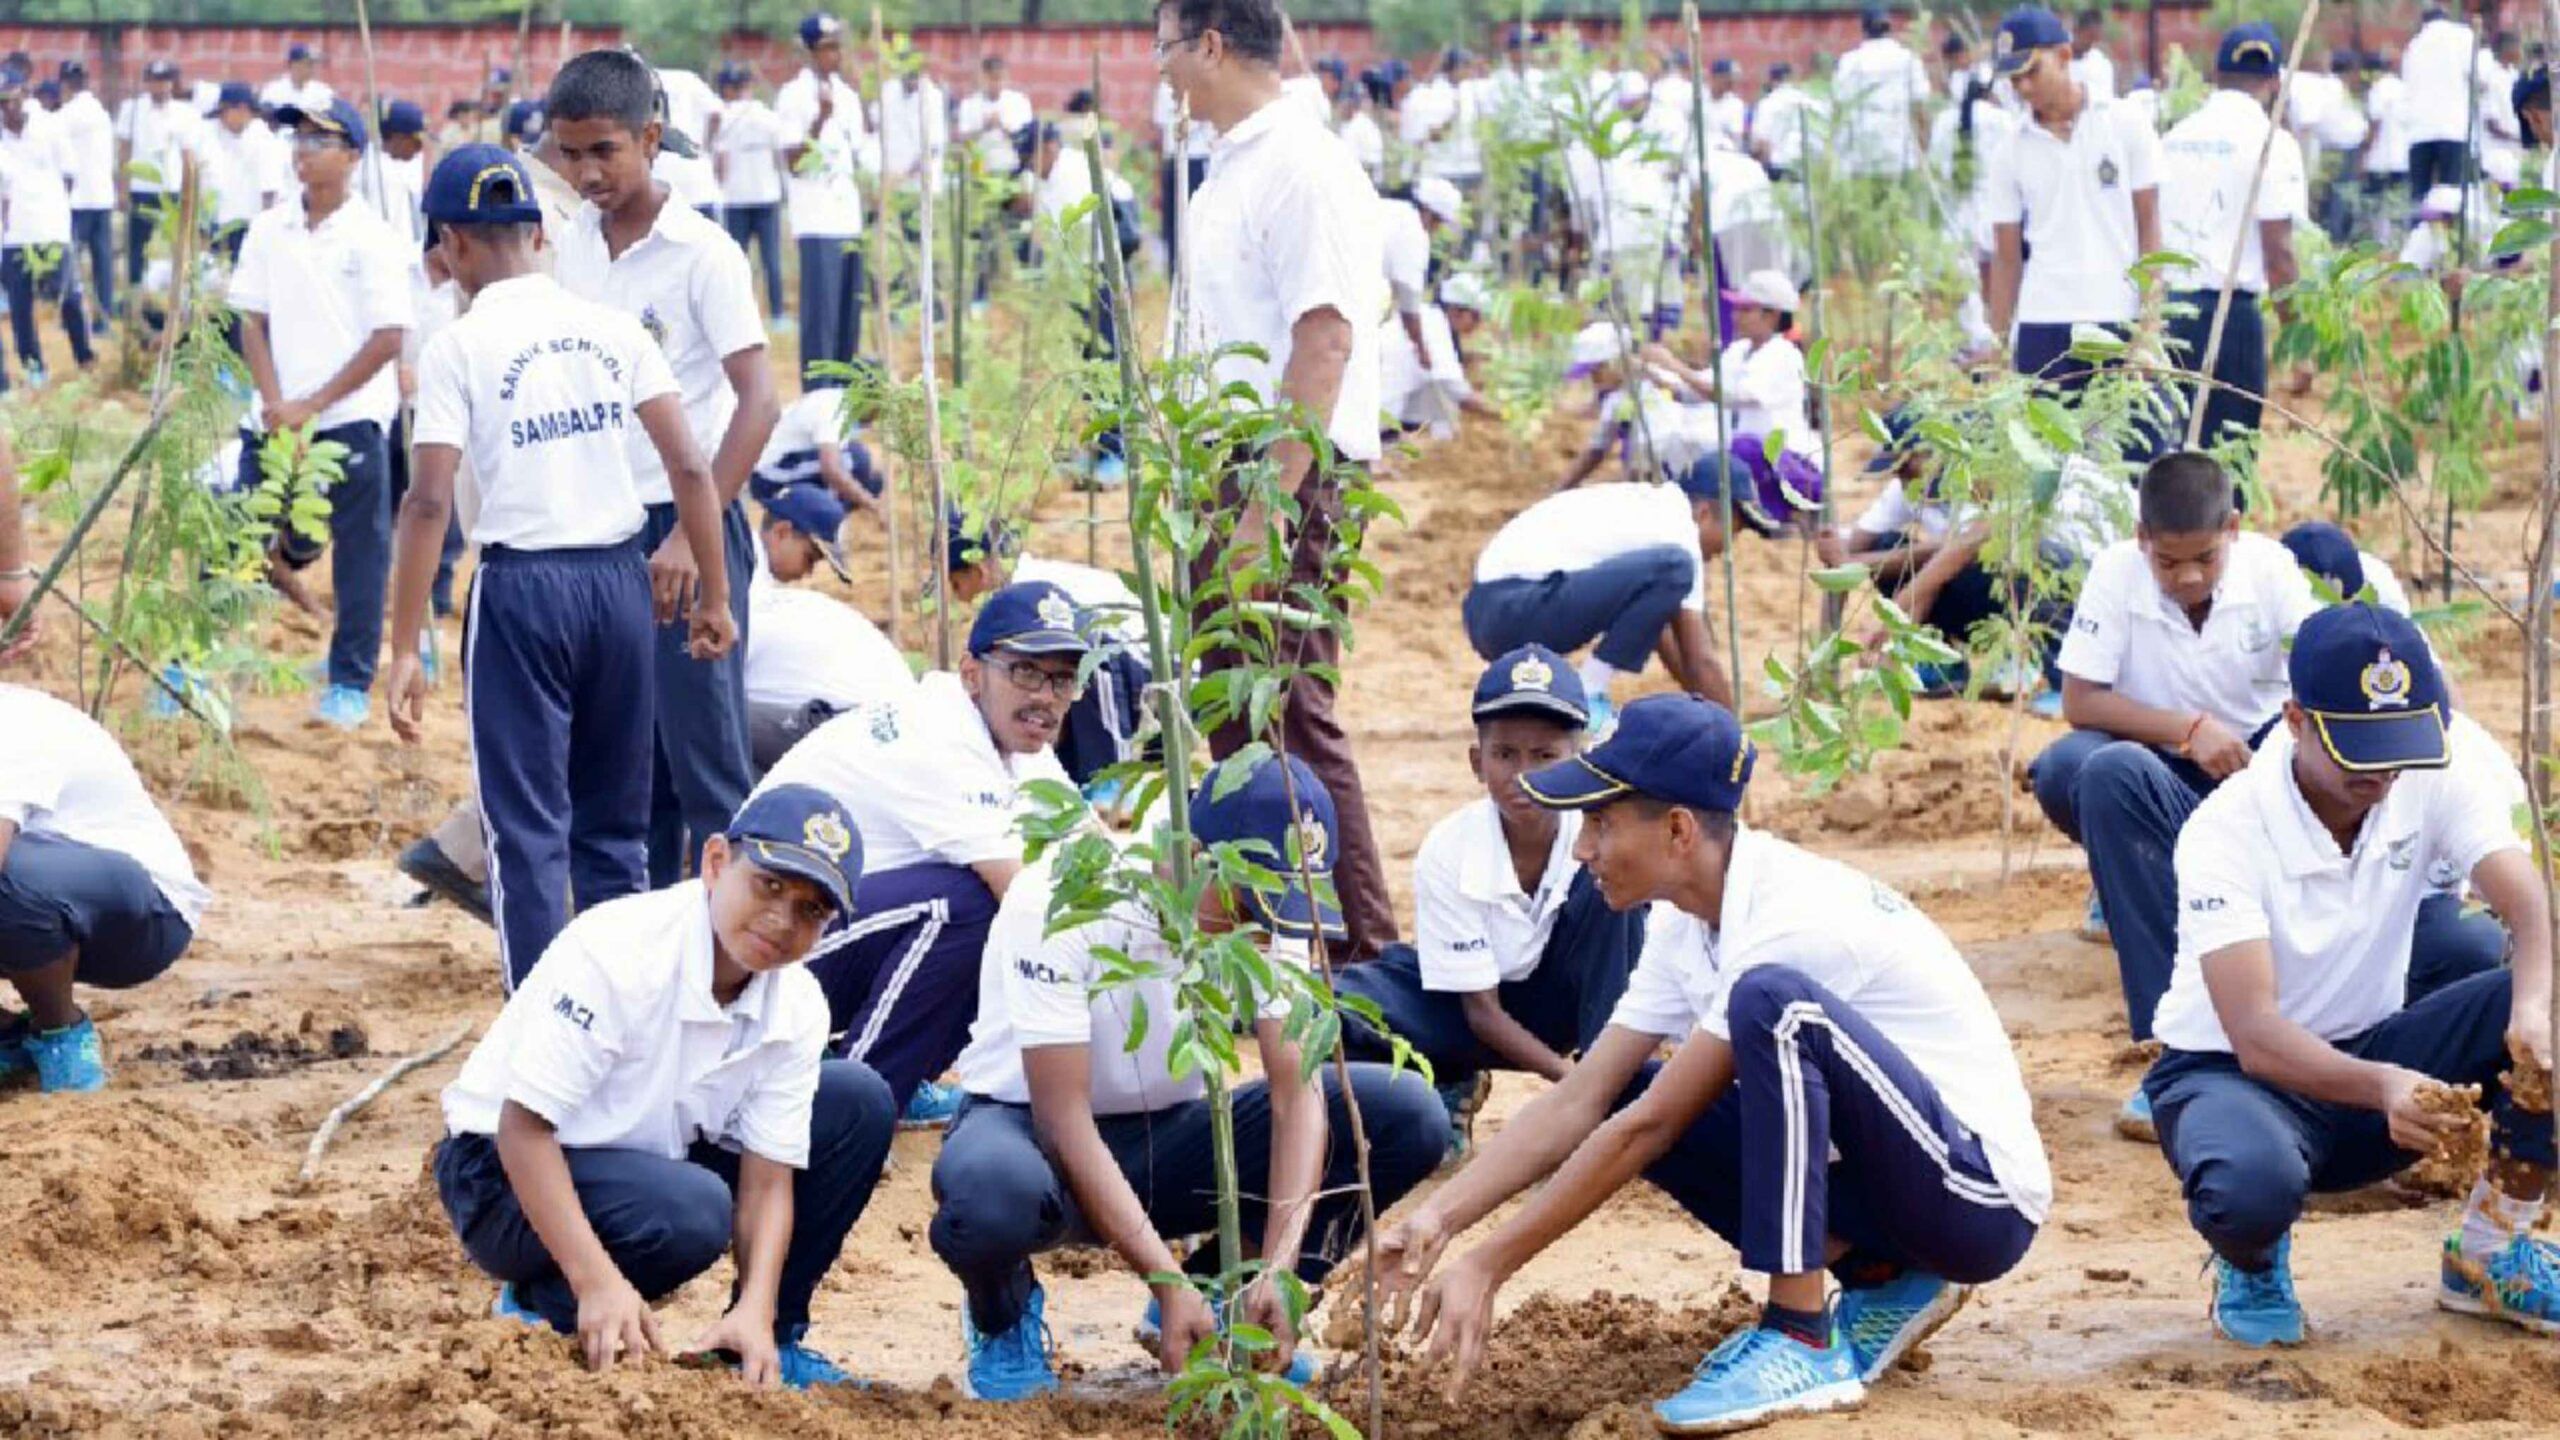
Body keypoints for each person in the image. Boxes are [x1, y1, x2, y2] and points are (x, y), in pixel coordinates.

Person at [1375, 694, 2052, 1435]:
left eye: (1600, 824)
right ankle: (1883, 1277)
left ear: (1677, 830)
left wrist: (1491, 1263)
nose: (1581, 850)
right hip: (1892, 1192)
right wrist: (1437, 1220)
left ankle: (1798, 1337)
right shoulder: (1682, 921)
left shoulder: (1793, 918)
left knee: (1773, 1008)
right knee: (1631, 1083)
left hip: (1975, 1199)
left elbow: (1649, 1131)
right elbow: (1586, 1100)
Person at [927, 754, 1450, 1401]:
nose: (1257, 925)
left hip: (1173, 1139)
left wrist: (1278, 1268)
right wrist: (1161, 1278)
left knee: (1403, 1113)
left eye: (1276, 905)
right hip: (1032, 1138)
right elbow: (1063, 1118)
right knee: (986, 1199)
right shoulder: (1068, 899)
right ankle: (1002, 1318)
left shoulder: (1269, 913)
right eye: (1247, 900)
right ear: (1193, 851)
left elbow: (1297, 1093)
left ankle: (1227, 1297)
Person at [2143, 603, 2558, 1345]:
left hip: (2369, 1049)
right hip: (2233, 1077)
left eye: (2399, 746)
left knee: (2552, 1007)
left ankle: (2493, 1251)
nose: (2384, 772)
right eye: (2360, 750)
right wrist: (2386, 1086)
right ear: (2297, 720)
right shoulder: (2226, 829)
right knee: (2250, 1185)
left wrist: (2529, 1011)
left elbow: (2529, 906)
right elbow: (2256, 1035)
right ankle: (2254, 1256)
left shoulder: (2425, 778)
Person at [384, 143, 737, 989]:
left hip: (522, 592)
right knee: (616, 827)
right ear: (541, 234)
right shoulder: (611, 330)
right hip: (621, 587)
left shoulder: (456, 348)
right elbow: (691, 467)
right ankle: (628, 1016)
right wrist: (715, 595)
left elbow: (428, 502)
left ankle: (542, 1026)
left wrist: (403, 646)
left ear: (452, 247)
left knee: (528, 830)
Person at [432, 783, 896, 1388]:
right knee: (690, 1210)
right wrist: (597, 1281)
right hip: (500, 1171)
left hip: (646, 1156)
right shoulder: (622, 950)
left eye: (811, 910)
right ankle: (547, 1308)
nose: (782, 921)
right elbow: (523, 1128)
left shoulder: (797, 1003)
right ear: (715, 863)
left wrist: (756, 1307)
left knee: (855, 1102)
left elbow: (769, 1177)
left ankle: (763, 1343)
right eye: (770, 885)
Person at [1158, 0, 1398, 963]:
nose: (1163, 71)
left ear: (1211, 46)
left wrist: (1267, 502)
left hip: (1287, 475)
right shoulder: (1234, 167)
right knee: (1238, 713)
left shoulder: (1301, 166)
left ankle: (1363, 966)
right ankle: (1286, 942)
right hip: (1239, 471)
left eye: (1168, 47)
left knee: (1287, 709)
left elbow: (1325, 338)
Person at [2030, 452, 2318, 1131]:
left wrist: (2264, 756)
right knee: (2075, 769)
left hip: (2253, 763)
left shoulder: (2273, 571)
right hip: (2154, 765)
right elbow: (2079, 698)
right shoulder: (2114, 572)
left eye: (2204, 559)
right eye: (2168, 563)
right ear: (2141, 538)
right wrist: (2187, 730)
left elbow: (2314, 684)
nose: (2186, 577)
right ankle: (2173, 1050)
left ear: (2234, 530)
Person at [548, 49, 780, 888]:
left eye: (603, 151)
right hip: (600, 530)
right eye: (568, 154)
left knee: (705, 762)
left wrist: (694, 529)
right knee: (621, 766)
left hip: (686, 526)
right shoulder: (571, 244)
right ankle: (637, 948)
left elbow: (758, 401)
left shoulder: (702, 253)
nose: (586, 172)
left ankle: (739, 954)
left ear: (650, 138)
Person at [749, 580, 1080, 1121]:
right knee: (970, 906)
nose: (1045, 696)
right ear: (973, 674)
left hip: (829, 932)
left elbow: (1083, 855)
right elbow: (1024, 893)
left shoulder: (1019, 743)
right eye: (1026, 671)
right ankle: (851, 1101)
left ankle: (894, 1073)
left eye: (1062, 680)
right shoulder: (937, 735)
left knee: (998, 909)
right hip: (761, 948)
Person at [1335, 646, 1647, 1151]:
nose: (1524, 774)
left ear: (1579, 761)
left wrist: (1592, 1088)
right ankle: (1445, 1083)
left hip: (1578, 1003)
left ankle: (1615, 1090)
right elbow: (1481, 1011)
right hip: (1475, 1008)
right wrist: (1574, 1089)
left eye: (1545, 756)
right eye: (1505, 755)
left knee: (1610, 889)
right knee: (1346, 1008)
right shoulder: (1449, 848)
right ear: (1477, 763)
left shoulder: (1600, 835)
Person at [232, 98, 411, 728]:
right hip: (274, 418)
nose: (303, 150)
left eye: (320, 139)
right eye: (298, 139)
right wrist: (278, 401)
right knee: (236, 536)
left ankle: (350, 681)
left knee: (362, 553)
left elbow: (389, 337)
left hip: (351, 418)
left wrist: (313, 404)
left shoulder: (375, 238)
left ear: (354, 156)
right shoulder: (268, 229)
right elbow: (251, 320)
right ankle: (198, 661)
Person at [0, 682, 209, 1093]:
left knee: (10, 880)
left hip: (144, 913)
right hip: (54, 900)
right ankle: (9, 1039)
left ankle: (60, 1034)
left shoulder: (15, 723)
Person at [1984, 4, 2163, 392]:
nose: (2024, 88)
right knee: (2049, 452)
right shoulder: (2008, 152)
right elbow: (2006, 258)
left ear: (2064, 56)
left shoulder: (2125, 124)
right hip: (2042, 323)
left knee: (2128, 449)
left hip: (2117, 315)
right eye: (2014, 80)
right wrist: (1998, 351)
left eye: (2032, 71)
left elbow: (2149, 227)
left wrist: (2149, 328)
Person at [1463, 468, 1733, 724]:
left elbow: (1661, 632)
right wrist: (1735, 738)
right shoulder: (1679, 536)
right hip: (1516, 606)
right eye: (1733, 532)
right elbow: (1700, 660)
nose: (1727, 548)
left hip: (1489, 613)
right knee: (1677, 566)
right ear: (1704, 513)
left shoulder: (1648, 509)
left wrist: (1705, 710)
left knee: (1671, 571)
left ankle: (1585, 693)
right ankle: (1589, 695)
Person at [2159, 24, 2307, 448]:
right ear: (2276, 81)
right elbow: (2279, 255)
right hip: (2231, 318)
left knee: (2171, 456)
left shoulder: (2174, 139)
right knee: (2227, 459)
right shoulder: (2272, 143)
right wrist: (2296, 341)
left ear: (2216, 74)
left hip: (2168, 312)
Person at [1640, 269, 1826, 538]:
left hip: (1785, 461)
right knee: (1686, 443)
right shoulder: (1739, 352)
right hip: (1750, 454)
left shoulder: (1784, 355)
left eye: (1745, 309)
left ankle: (1773, 519)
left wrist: (1674, 365)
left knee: (1743, 448)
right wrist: (1652, 371)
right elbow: (1695, 390)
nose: (1736, 316)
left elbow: (1730, 394)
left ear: (1771, 315)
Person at [745, 484, 913, 772]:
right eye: (810, 557)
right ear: (783, 532)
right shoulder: (747, 572)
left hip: (857, 730)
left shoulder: (757, 579)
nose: (809, 573)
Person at [773, 13, 870, 370]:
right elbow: (795, 162)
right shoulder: (793, 96)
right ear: (809, 52)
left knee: (848, 318)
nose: (835, 55)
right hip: (816, 222)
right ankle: (818, 401)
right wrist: (820, 120)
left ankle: (844, 403)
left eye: (837, 47)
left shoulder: (847, 95)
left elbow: (860, 155)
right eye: (827, 48)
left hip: (849, 221)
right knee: (821, 319)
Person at [0, 71, 92, 390]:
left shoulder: (50, 127)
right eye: (1, 102)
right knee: (20, 308)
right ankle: (34, 367)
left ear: (24, 94)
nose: (7, 108)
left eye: (11, 99)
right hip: (13, 236)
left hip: (52, 228)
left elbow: (69, 174)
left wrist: (54, 211)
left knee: (69, 299)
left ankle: (85, 359)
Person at [714, 62, 788, 324]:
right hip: (767, 196)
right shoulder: (768, 116)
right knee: (772, 260)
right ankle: (778, 314)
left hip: (735, 199)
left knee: (737, 262)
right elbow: (781, 156)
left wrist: (718, 189)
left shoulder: (723, 116)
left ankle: (739, 316)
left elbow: (720, 162)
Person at [751, 365, 879, 514]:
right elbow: (832, 470)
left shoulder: (840, 399)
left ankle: (825, 507)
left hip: (789, 461)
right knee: (852, 463)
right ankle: (819, 514)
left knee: (867, 475)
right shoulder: (834, 412)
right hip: (768, 476)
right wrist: (874, 506)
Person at [115, 59, 197, 292]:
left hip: (171, 188)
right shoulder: (132, 110)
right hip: (141, 188)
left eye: (164, 81)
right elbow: (124, 150)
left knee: (176, 245)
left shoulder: (184, 113)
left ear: (171, 83)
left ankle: (176, 294)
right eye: (154, 81)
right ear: (147, 82)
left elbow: (187, 157)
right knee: (136, 246)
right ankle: (134, 295)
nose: (159, 87)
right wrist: (122, 188)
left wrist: (189, 193)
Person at [1834, 5, 1932, 181]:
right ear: (1889, 26)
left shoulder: (1849, 62)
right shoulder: (1908, 59)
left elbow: (1839, 112)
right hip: (1901, 158)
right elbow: (1921, 112)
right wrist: (1923, 154)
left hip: (1861, 159)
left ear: (1863, 28)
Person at [2402, 7, 2484, 198]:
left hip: (2419, 131)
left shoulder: (2413, 45)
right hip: (2454, 128)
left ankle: (2419, 228)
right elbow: (2479, 78)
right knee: (2452, 194)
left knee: (2420, 196)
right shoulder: (2462, 36)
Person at [199, 82, 286, 259]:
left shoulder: (263, 140)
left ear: (243, 109)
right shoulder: (210, 135)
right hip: (214, 223)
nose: (222, 118)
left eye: (226, 112)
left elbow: (269, 189)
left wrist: (265, 232)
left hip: (247, 225)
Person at [53, 60, 112, 318]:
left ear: (64, 84)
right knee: (103, 263)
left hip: (77, 199)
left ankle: (70, 316)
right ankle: (105, 315)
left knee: (70, 262)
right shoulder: (100, 111)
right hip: (102, 196)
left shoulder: (66, 116)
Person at [1152, 75, 1216, 272]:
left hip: (1198, 159)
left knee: (1198, 226)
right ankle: (1175, 278)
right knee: (1174, 228)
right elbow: (1161, 132)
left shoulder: (1204, 82)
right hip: (1173, 160)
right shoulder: (1165, 88)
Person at [958, 55, 1031, 181]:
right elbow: (963, 140)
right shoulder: (969, 104)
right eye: (991, 79)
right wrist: (984, 128)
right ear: (982, 78)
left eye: (1000, 79)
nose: (996, 84)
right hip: (980, 170)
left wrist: (1002, 126)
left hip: (1012, 167)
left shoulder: (1019, 102)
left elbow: (1026, 138)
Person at [260, 42, 333, 117]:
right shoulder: (273, 90)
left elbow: (326, 120)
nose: (312, 69)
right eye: (308, 64)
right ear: (294, 65)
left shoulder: (322, 91)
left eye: (313, 65)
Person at [2070, 8, 2117, 101]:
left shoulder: (2102, 64)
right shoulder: (2058, 60)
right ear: (2076, 31)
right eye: (2089, 36)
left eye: (2096, 38)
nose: (2092, 43)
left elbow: (2106, 99)